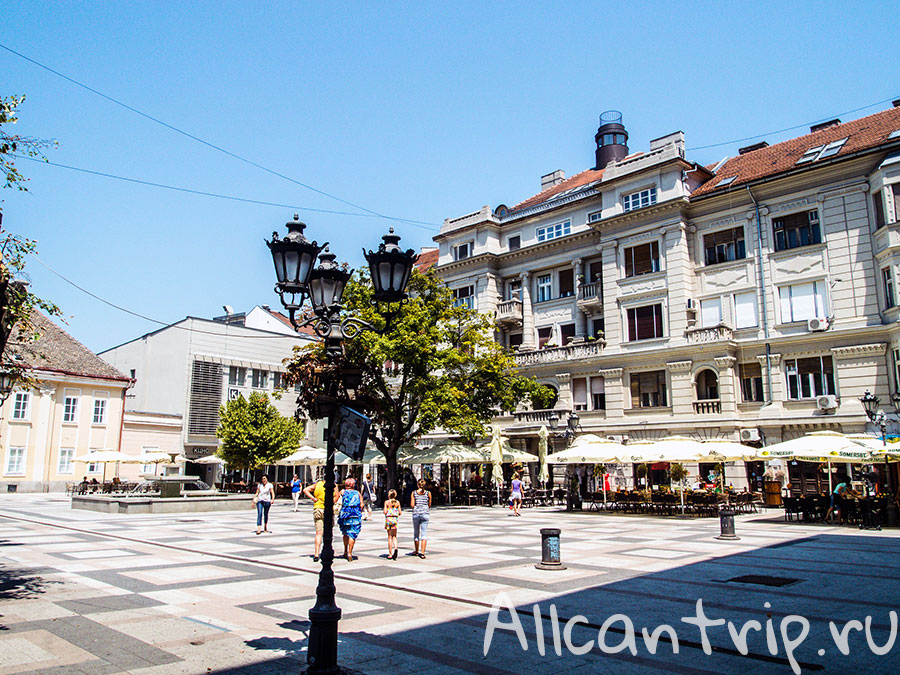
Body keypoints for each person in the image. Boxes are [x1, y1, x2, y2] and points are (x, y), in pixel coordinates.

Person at [303, 476, 340, 562]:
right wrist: (330, 502)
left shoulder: (318, 484)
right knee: (328, 532)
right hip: (328, 509)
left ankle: (316, 554)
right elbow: (336, 497)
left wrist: (313, 498)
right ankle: (327, 549)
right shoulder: (334, 485)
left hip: (318, 508)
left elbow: (305, 490)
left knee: (318, 533)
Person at [337, 477, 363, 561]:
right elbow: (362, 505)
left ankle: (345, 550)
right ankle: (350, 553)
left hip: (345, 514)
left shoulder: (343, 492)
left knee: (345, 533)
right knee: (352, 534)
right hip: (355, 515)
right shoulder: (357, 493)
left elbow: (336, 500)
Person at [411, 478, 432, 558]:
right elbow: (429, 504)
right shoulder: (428, 493)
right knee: (424, 533)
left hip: (416, 513)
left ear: (417, 485)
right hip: (425, 513)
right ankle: (422, 552)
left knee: (416, 533)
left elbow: (412, 505)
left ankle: (416, 550)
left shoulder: (414, 493)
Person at [383, 488, 402, 560]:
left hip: (388, 519)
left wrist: (388, 510)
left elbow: (385, 511)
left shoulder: (386, 502)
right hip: (395, 519)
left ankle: (390, 553)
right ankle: (396, 548)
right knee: (394, 536)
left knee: (389, 537)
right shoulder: (397, 502)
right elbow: (400, 512)